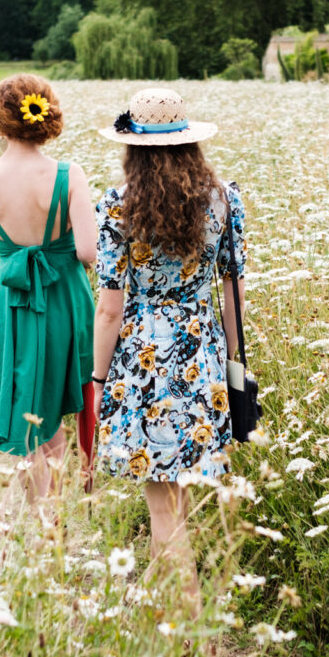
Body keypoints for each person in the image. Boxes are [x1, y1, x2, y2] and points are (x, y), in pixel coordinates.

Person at [92, 88, 244, 611]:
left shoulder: (117, 204)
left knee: (164, 511)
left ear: (132, 148)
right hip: (203, 355)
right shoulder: (225, 199)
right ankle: (165, 619)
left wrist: (96, 380)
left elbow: (109, 309)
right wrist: (232, 365)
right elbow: (233, 294)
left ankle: (191, 639)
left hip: (143, 362)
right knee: (176, 505)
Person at [0, 75, 96, 507]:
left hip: (10, 302)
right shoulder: (68, 174)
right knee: (54, 409)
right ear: (46, 112)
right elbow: (89, 250)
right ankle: (52, 514)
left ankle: (41, 512)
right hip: (62, 301)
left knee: (26, 409)